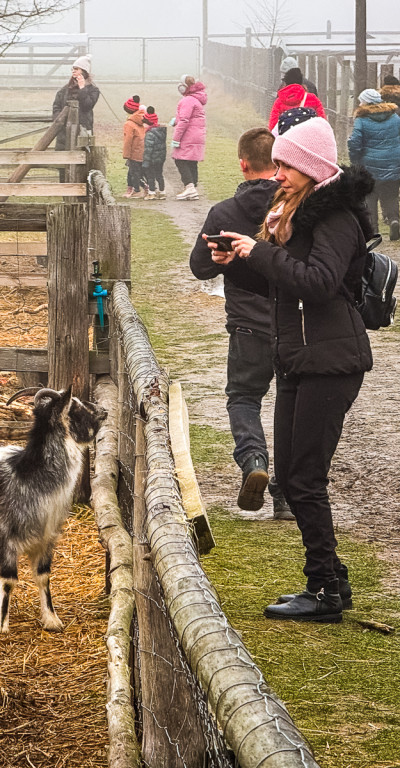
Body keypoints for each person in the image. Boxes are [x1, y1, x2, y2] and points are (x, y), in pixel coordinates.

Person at [213, 117, 375, 622]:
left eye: (285, 164)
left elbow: (320, 283)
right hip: (298, 358)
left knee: (304, 478)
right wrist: (237, 259)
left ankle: (322, 591)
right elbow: (285, 286)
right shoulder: (293, 213)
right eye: (277, 163)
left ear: (309, 167)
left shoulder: (335, 218)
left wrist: (259, 250)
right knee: (292, 474)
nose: (277, 173)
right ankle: (334, 578)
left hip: (331, 361)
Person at [190, 128, 291, 517]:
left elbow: (199, 268)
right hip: (293, 323)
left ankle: (254, 461)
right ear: (279, 164)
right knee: (290, 405)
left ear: (243, 163)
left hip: (248, 323)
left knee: (245, 397)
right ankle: (285, 495)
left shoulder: (224, 212)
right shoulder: (294, 206)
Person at [347, 88, 400, 241]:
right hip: (393, 163)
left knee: (370, 196)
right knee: (390, 196)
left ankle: (373, 229)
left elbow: (355, 142)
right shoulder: (395, 118)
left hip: (369, 165)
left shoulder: (362, 120)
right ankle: (394, 220)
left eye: (361, 100)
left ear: (366, 102)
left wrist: (355, 160)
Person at [51, 54, 100, 150]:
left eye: (76, 69)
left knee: (82, 158)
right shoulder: (64, 90)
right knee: (63, 159)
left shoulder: (93, 90)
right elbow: (56, 106)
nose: (73, 71)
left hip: (83, 130)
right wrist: (60, 121)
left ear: (84, 71)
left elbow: (87, 106)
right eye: (73, 69)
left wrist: (82, 88)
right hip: (64, 132)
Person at [171, 75, 207, 200]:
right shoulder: (197, 99)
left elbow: (185, 120)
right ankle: (193, 188)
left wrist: (176, 138)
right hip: (197, 135)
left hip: (188, 136)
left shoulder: (187, 100)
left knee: (180, 159)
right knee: (191, 161)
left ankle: (189, 187)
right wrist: (176, 120)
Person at [268, 68, 325, 133]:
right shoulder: (312, 99)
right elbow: (322, 122)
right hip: (308, 138)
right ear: (301, 82)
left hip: (286, 138)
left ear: (285, 83)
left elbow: (273, 125)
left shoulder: (279, 101)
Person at [121, 96, 147, 198]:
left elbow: (128, 140)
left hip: (134, 152)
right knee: (138, 172)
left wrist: (126, 154)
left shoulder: (129, 124)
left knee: (134, 173)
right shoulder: (140, 120)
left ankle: (138, 190)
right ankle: (135, 189)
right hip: (142, 151)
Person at [142, 107, 167, 200]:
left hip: (151, 159)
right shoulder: (161, 131)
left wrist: (145, 162)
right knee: (159, 174)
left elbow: (148, 149)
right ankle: (162, 192)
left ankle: (151, 192)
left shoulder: (149, 134)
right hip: (160, 158)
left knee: (150, 176)